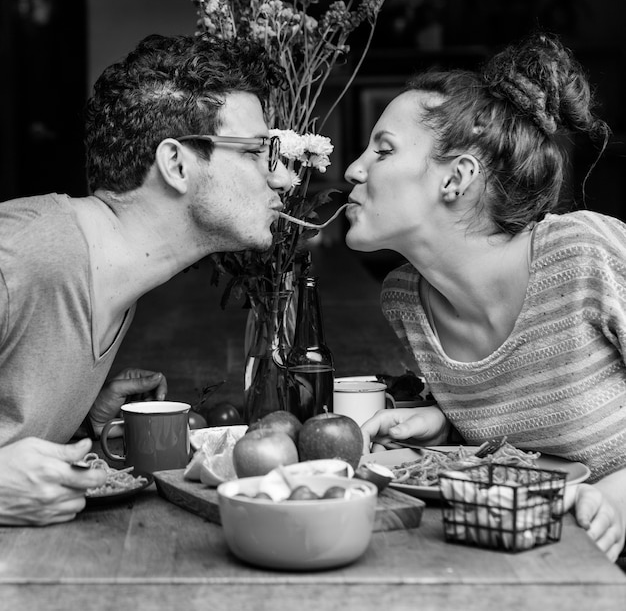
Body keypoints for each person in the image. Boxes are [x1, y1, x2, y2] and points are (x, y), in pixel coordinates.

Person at [344, 32, 626, 562]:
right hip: (529, 555)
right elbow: (530, 423)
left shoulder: (586, 254)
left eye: (381, 151)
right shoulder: (405, 302)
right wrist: (445, 424)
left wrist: (613, 503)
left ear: (457, 177)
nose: (354, 170)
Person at [0, 34, 290, 525]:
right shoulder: (18, 258)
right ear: (176, 164)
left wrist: (77, 425)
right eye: (257, 151)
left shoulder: (114, 278)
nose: (280, 177)